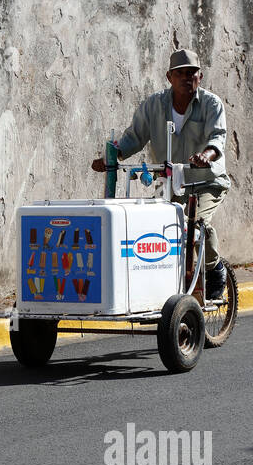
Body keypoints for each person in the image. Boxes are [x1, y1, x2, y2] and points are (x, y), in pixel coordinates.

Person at [89, 48, 231, 297]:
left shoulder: (211, 104)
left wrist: (205, 156)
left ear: (200, 76)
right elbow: (134, 137)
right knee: (156, 228)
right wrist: (110, 158)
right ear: (169, 77)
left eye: (192, 73)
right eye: (180, 74)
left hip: (207, 181)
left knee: (197, 225)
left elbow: (218, 138)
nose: (186, 78)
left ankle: (213, 267)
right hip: (171, 182)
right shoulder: (154, 105)